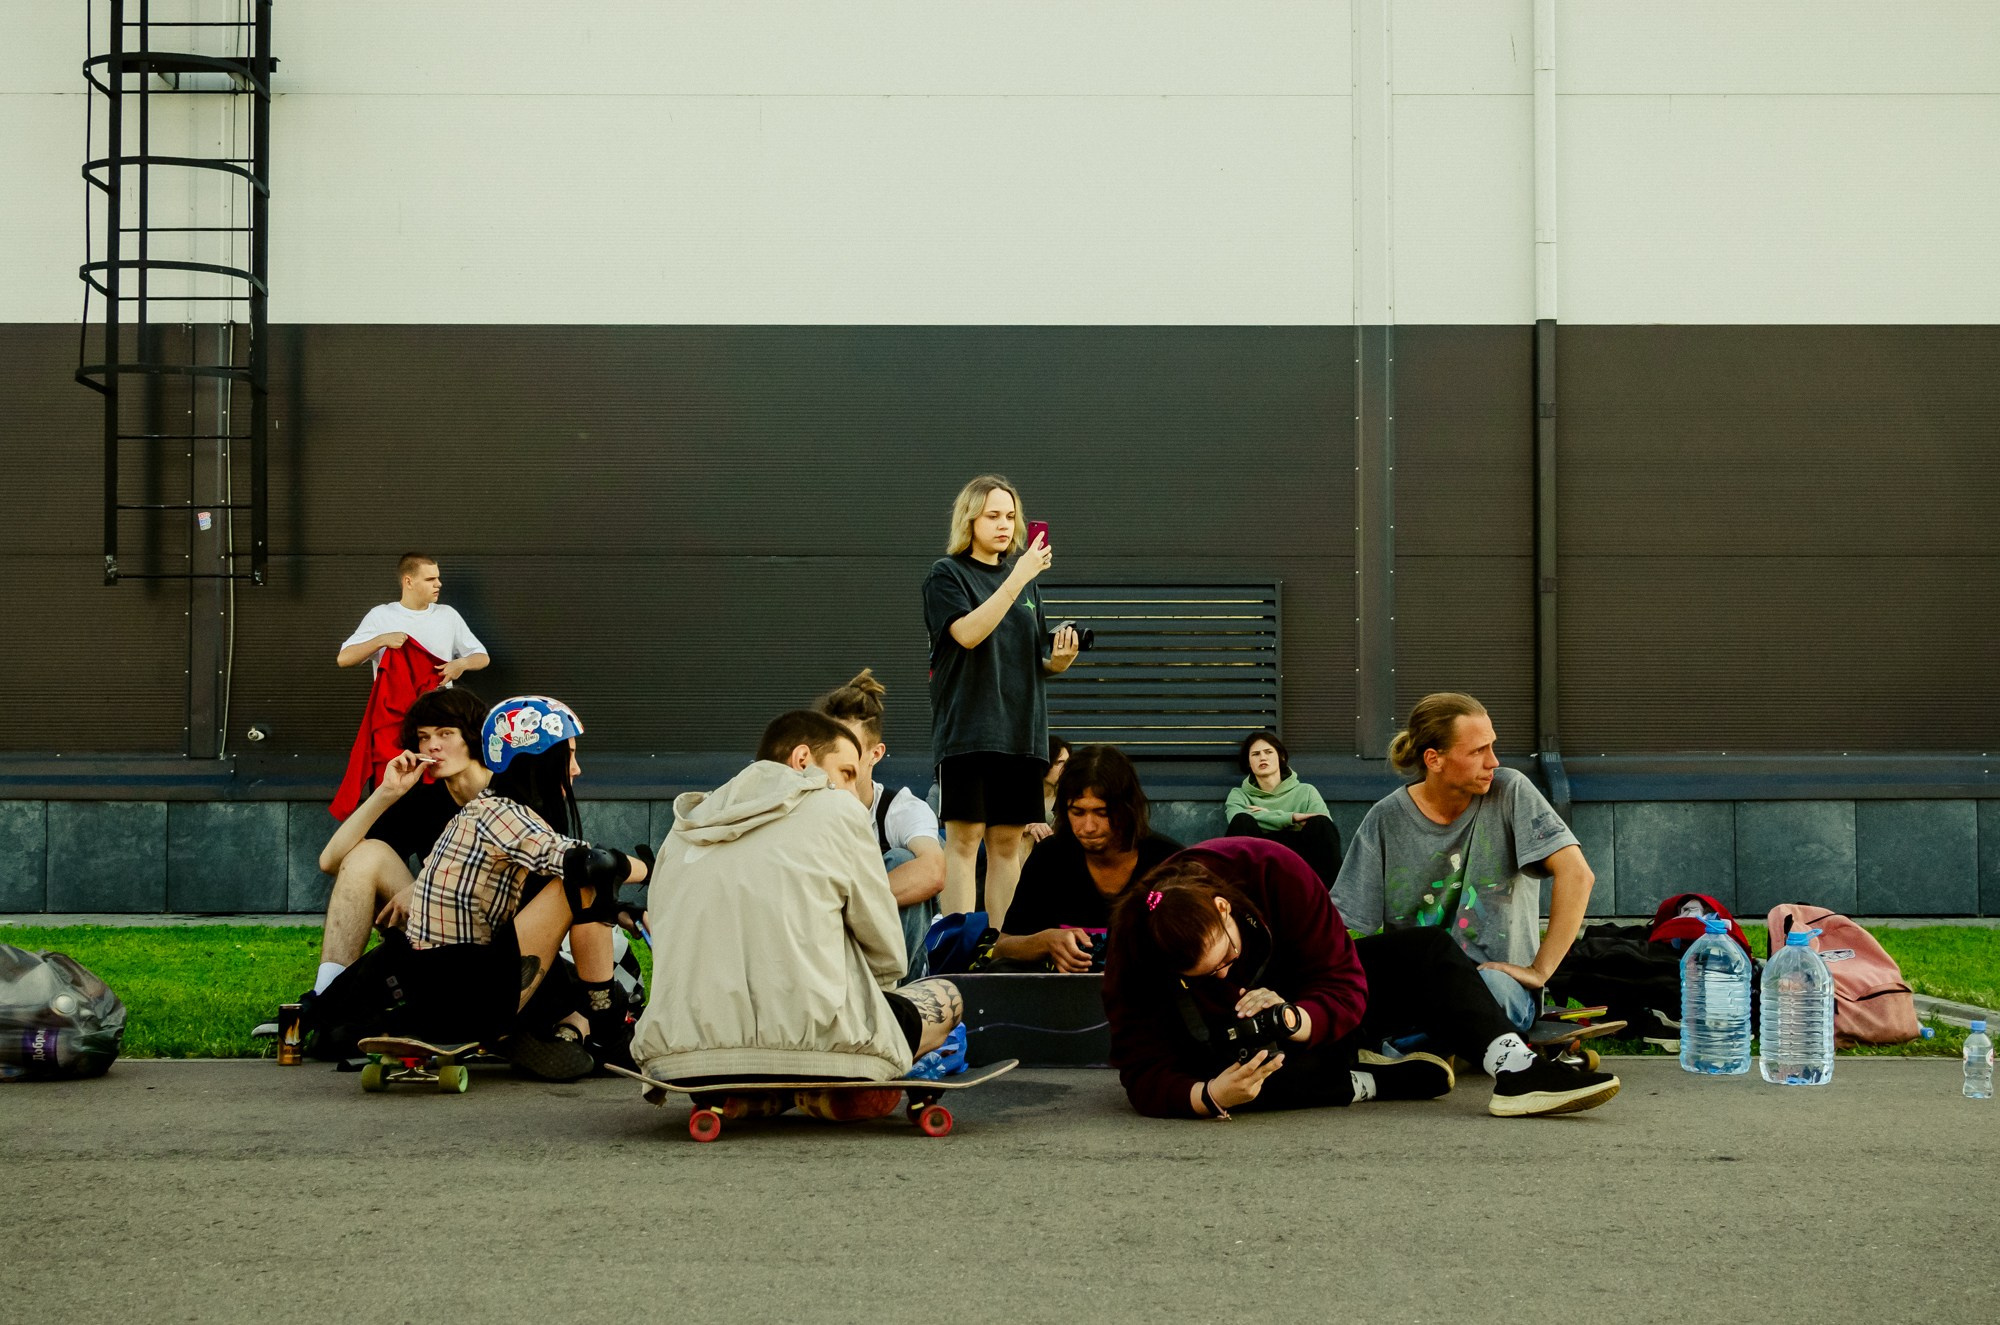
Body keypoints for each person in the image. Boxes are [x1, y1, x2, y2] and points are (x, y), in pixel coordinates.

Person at [1101, 836, 1621, 1119]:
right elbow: (1141, 1073)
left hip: (1310, 1010)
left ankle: (1516, 1068)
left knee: (1427, 949)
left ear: (1224, 906)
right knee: (1246, 1075)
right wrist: (1210, 1096)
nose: (1227, 973)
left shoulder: (1271, 868)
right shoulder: (1135, 948)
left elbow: (1345, 981)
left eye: (1229, 955)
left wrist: (1294, 1017)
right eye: (1205, 975)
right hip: (1240, 1049)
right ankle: (1373, 1080)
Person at [630, 711, 966, 1084]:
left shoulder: (683, 828)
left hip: (681, 1062)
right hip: (824, 1054)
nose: (854, 794)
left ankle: (752, 1094)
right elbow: (887, 955)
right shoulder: (839, 811)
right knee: (945, 996)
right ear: (802, 759)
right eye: (846, 774)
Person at [379, 695, 646, 1079]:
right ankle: (607, 1035)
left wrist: (618, 907)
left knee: (577, 897)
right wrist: (656, 870)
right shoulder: (501, 813)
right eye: (568, 756)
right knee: (578, 883)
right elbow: (593, 864)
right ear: (539, 758)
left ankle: (550, 1028)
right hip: (466, 994)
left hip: (431, 988)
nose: (576, 768)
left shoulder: (483, 810)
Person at [1332, 692, 1596, 1034]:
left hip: (1497, 986)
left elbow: (1577, 875)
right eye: (1477, 751)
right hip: (1420, 986)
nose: (1493, 761)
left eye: (1492, 746)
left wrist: (1539, 971)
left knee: (1482, 994)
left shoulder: (1510, 792)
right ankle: (1421, 1045)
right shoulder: (1386, 818)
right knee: (1350, 995)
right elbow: (1338, 926)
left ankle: (1403, 1047)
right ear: (1434, 759)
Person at [923, 475, 1080, 929]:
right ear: (970, 520)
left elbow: (1033, 658)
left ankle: (999, 947)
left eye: (1010, 516)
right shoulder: (947, 575)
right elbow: (968, 634)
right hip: (969, 728)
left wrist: (1059, 662)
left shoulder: (1026, 585)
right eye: (993, 515)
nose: (1005, 525)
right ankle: (956, 950)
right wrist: (1019, 576)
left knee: (1008, 844)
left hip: (1021, 730)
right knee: (965, 839)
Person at [310, 685, 493, 998]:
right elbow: (331, 861)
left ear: (474, 736)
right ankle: (327, 994)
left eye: (446, 733)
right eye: (424, 737)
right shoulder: (423, 800)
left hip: (500, 933)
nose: (433, 745)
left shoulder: (509, 789)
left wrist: (425, 885)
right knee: (367, 854)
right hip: (440, 927)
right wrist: (387, 793)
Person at [994, 745, 1181, 972]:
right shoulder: (1049, 858)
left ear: (1127, 808)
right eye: (1078, 812)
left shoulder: (1168, 861)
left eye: (1102, 813)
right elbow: (1002, 949)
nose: (1088, 827)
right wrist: (1046, 941)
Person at [817, 668, 947, 981]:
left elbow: (933, 871)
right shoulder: (806, 804)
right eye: (829, 750)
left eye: (850, 751)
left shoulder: (899, 808)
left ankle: (892, 997)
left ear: (875, 754)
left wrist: (847, 904)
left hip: (885, 957)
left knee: (903, 859)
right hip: (826, 951)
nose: (837, 761)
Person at [336, 553, 490, 683]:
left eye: (438, 578)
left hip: (439, 706)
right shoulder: (380, 615)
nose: (439, 584)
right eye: (430, 579)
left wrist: (462, 663)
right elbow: (344, 659)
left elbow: (482, 657)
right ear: (408, 582)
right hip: (396, 707)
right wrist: (381, 640)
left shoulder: (448, 614)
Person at [1224, 729, 1342, 885]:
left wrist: (1266, 815)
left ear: (1281, 757)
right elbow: (1235, 820)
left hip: (1303, 859)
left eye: (1268, 752)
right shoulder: (1239, 795)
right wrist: (1292, 818)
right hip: (1259, 861)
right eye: (1256, 754)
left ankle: (1329, 896)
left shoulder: (1306, 791)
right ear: (1248, 763)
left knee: (1320, 823)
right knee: (1242, 820)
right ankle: (1241, 896)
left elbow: (1324, 827)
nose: (1263, 757)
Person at [1024, 734, 1071, 846]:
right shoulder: (1022, 794)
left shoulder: (1067, 796)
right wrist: (1027, 828)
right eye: (1059, 762)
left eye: (1068, 763)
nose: (1065, 768)